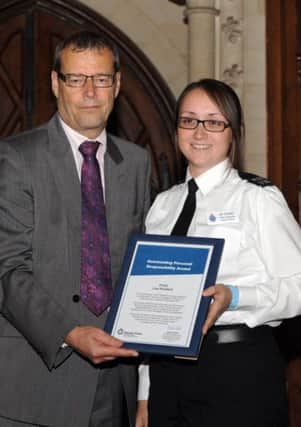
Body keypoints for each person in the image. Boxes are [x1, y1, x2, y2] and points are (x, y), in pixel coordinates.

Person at [0, 30, 151, 427]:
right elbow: (8, 270)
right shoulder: (16, 158)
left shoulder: (136, 163)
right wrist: (69, 332)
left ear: (116, 85)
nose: (89, 92)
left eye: (101, 79)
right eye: (76, 78)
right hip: (37, 382)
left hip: (116, 382)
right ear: (55, 83)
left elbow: (140, 267)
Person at [136, 78, 301, 427]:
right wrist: (144, 394)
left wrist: (236, 296)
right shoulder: (163, 206)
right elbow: (150, 309)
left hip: (237, 368)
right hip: (168, 375)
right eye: (189, 120)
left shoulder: (257, 198)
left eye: (213, 121)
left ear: (233, 132)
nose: (199, 132)